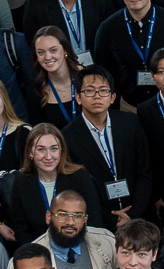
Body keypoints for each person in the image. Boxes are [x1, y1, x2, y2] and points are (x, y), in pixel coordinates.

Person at [64, 65, 152, 229]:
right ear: (78, 97)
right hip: (99, 222)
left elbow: (145, 171)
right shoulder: (68, 137)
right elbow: (77, 188)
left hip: (139, 215)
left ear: (112, 97)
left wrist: (133, 214)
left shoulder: (130, 123)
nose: (97, 96)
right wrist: (111, 219)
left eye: (103, 91)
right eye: (89, 91)